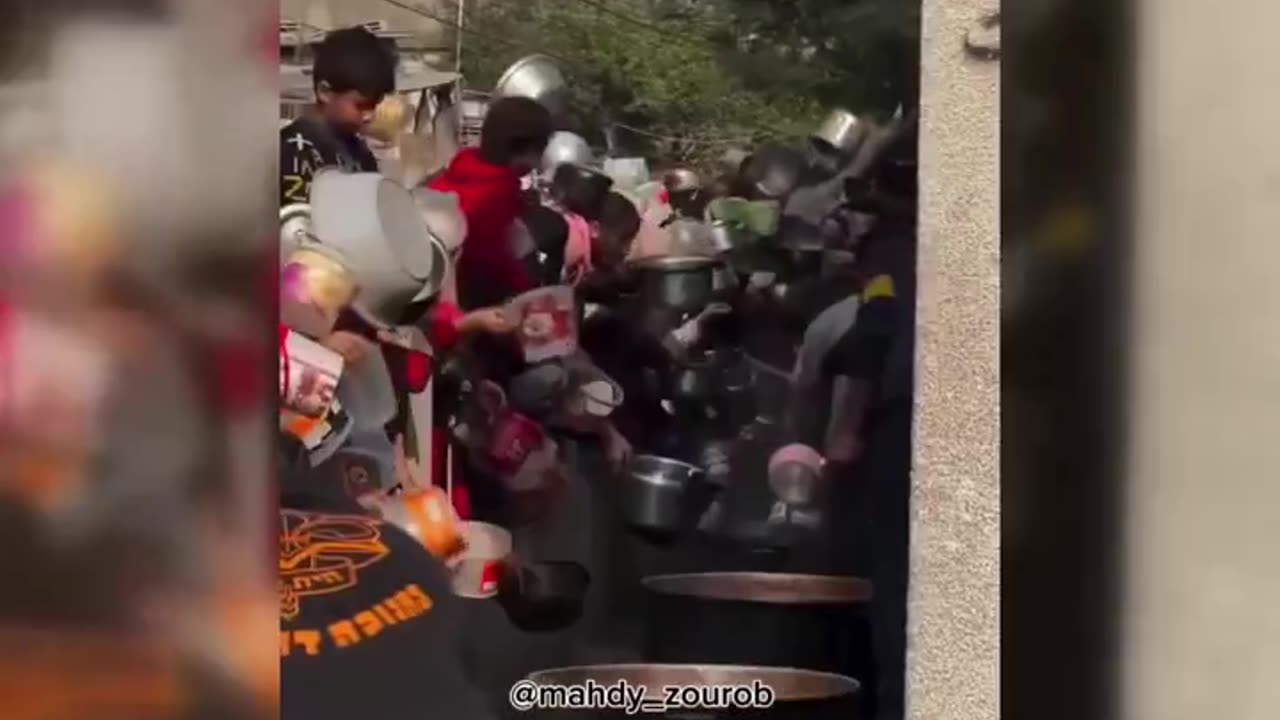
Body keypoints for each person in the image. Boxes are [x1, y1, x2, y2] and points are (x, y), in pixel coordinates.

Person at [428, 96, 554, 309]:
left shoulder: (465, 171)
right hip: (460, 300)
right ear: (517, 148)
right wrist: (525, 291)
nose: (537, 164)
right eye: (537, 153)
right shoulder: (492, 196)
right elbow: (492, 259)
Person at [280, 26, 396, 206]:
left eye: (374, 105)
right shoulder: (293, 153)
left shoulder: (360, 153)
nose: (369, 116)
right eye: (361, 105)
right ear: (324, 92)